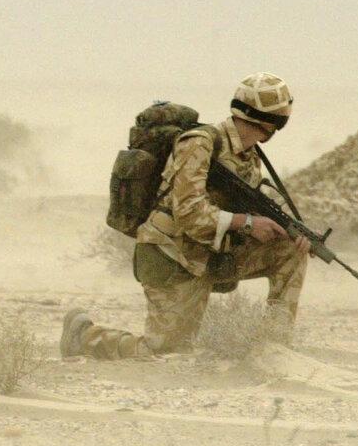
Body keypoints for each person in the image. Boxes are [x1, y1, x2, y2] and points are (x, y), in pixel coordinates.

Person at [62, 73, 310, 359]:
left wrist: (283, 230)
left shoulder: (249, 156)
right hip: (171, 255)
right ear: (272, 123)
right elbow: (189, 213)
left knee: (290, 249)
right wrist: (248, 223)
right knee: (164, 352)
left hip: (208, 254)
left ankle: (274, 348)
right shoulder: (200, 143)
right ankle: (84, 336)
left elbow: (241, 213)